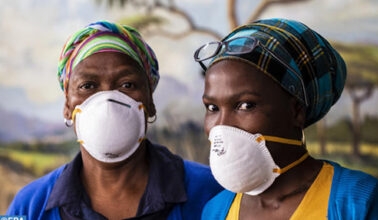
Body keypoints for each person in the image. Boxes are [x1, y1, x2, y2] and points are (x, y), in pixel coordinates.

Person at [7, 21, 222, 220]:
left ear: (150, 102)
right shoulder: (30, 207)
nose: (107, 101)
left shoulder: (210, 195)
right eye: (88, 86)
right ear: (67, 107)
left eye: (127, 85)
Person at [194, 19, 378, 219]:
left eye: (246, 105)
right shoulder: (216, 211)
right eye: (212, 108)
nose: (221, 125)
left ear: (296, 111)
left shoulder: (356, 201)